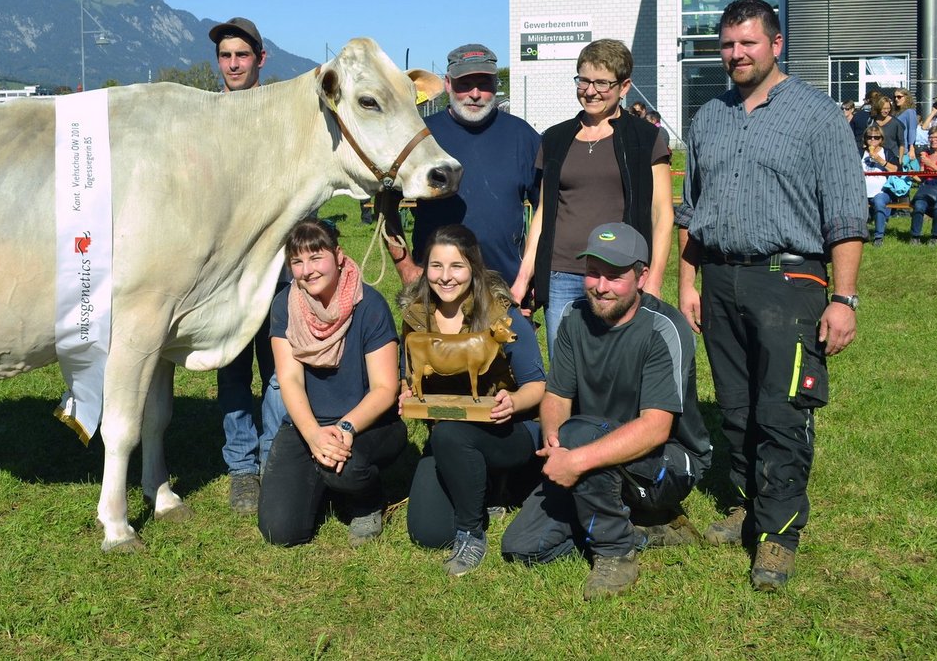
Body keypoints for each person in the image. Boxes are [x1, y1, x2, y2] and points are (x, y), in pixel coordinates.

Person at [677, 0, 866, 592]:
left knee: (782, 409)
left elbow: (846, 215)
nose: (735, 54)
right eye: (727, 45)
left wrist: (845, 298)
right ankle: (746, 505)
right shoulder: (708, 117)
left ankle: (779, 534)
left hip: (791, 278)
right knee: (735, 406)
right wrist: (689, 282)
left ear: (776, 45)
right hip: (721, 278)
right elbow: (693, 211)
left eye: (747, 43)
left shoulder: (817, 116)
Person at [500, 223, 711, 600]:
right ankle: (643, 532)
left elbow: (656, 428)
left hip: (667, 465)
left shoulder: (665, 328)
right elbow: (556, 397)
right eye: (593, 273)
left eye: (615, 276)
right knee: (522, 547)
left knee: (580, 434)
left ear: (642, 276)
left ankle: (617, 552)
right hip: (589, 450)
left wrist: (575, 458)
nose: (600, 286)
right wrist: (554, 442)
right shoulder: (572, 318)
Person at [400, 224, 546, 576]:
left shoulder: (501, 315)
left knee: (450, 432)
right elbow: (409, 378)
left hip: (508, 430)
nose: (445, 277)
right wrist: (406, 394)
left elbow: (537, 385)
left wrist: (513, 401)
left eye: (457, 267)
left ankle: (471, 532)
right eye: (436, 266)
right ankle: (488, 488)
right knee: (429, 532)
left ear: (473, 269)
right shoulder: (415, 317)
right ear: (425, 268)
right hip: (448, 435)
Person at [510, 39, 671, 356]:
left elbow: (662, 214)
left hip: (619, 274)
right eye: (583, 80)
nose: (591, 90)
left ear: (624, 86)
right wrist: (525, 275)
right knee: (564, 365)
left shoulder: (645, 138)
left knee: (617, 361)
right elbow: (543, 212)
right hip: (562, 273)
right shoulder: (555, 138)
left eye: (602, 83)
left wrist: (653, 280)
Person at [381, 43, 540, 352]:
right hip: (439, 290)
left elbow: (547, 214)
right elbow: (386, 205)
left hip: (504, 292)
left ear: (496, 85)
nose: (475, 93)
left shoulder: (522, 136)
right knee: (436, 384)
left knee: (507, 390)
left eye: (484, 84)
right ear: (448, 84)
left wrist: (527, 282)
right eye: (465, 83)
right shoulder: (422, 136)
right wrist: (406, 267)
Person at [257, 220, 405, 546]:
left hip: (369, 424)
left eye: (316, 257)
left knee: (348, 469)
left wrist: (345, 429)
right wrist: (312, 434)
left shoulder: (371, 305)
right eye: (297, 261)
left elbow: (385, 388)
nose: (307, 270)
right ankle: (325, 482)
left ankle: (368, 500)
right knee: (279, 531)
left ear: (338, 255)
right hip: (309, 422)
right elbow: (290, 378)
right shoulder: (284, 305)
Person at [209, 16, 282, 513]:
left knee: (280, 367)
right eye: (225, 55)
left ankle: (277, 457)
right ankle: (242, 466)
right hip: (227, 272)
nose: (233, 63)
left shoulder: (283, 117)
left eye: (241, 55)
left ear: (261, 59)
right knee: (233, 368)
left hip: (276, 267)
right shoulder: (208, 116)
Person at [861, 127, 900, 247]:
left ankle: (878, 236)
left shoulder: (886, 152)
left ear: (881, 139)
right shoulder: (859, 152)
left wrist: (880, 160)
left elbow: (896, 170)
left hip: (882, 191)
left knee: (878, 202)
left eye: (876, 137)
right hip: (862, 191)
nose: (873, 140)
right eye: (869, 137)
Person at [891, 88, 919, 160]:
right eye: (895, 97)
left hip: (904, 149)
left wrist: (911, 148)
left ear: (906, 97)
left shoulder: (910, 112)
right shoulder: (895, 113)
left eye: (899, 97)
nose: (896, 99)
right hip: (894, 147)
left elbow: (912, 130)